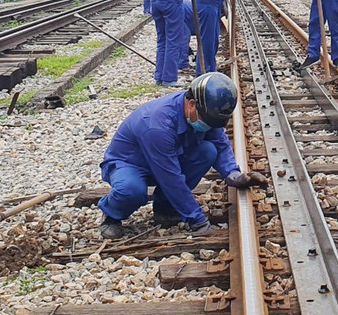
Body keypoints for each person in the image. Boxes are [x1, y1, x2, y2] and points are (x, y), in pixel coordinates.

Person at [97, 72, 267, 239]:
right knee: (131, 190)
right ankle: (111, 215)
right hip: (130, 164)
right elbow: (171, 178)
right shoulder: (157, 126)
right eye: (208, 122)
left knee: (208, 151)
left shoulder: (204, 109)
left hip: (167, 158)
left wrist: (234, 175)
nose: (209, 126)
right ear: (191, 104)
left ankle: (165, 209)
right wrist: (197, 220)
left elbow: (220, 144)